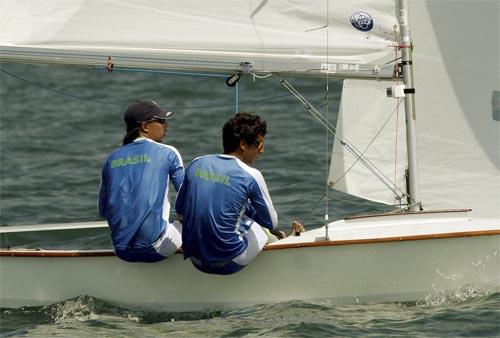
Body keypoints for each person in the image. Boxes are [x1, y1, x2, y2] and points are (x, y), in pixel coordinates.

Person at [175, 112, 286, 275]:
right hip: (229, 263)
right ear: (243, 144)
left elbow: (180, 208)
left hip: (195, 261)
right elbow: (271, 222)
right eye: (259, 144)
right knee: (262, 228)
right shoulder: (251, 174)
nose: (261, 151)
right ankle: (283, 255)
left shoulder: (197, 162)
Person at [98, 100, 184, 263]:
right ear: (145, 126)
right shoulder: (168, 152)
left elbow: (103, 210)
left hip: (121, 250)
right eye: (162, 121)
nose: (166, 126)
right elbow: (189, 201)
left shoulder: (111, 158)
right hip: (156, 247)